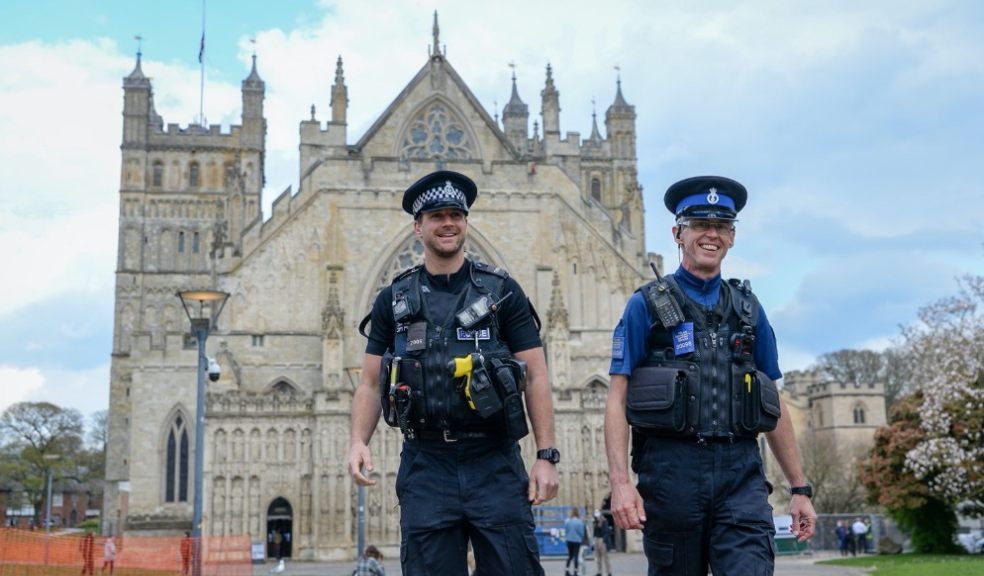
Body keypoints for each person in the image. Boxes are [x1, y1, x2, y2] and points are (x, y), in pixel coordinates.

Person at [348, 170, 560, 576]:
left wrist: (546, 455)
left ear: (465, 221)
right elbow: (371, 382)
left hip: (494, 459)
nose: (448, 223)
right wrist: (359, 441)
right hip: (427, 464)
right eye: (437, 216)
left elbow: (535, 376)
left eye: (456, 215)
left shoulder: (502, 292)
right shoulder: (392, 300)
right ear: (418, 226)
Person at [604, 175, 817, 575]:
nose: (712, 234)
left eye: (722, 226)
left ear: (732, 237)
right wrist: (620, 483)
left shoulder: (750, 311)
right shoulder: (645, 306)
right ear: (678, 233)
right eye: (701, 224)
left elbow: (774, 399)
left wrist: (799, 487)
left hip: (741, 474)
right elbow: (616, 399)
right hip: (671, 475)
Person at [564, 508, 586, 576]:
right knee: (576, 555)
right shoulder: (580, 522)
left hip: (569, 540)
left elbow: (566, 530)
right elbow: (581, 532)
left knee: (570, 556)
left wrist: (568, 536)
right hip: (577, 540)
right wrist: (581, 538)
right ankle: (575, 571)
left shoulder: (568, 521)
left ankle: (567, 570)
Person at [591, 510, 613, 576]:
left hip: (602, 540)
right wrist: (593, 542)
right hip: (596, 539)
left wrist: (603, 540)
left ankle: (609, 572)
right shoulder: (594, 522)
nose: (596, 516)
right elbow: (594, 533)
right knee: (598, 558)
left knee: (606, 558)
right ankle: (599, 572)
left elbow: (607, 532)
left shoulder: (604, 521)